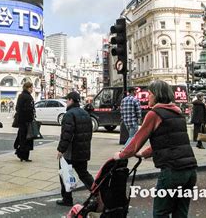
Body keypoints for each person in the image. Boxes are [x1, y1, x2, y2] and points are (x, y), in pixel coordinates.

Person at [114, 80, 197, 218]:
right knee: (180, 212)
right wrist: (144, 153)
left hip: (172, 171)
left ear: (157, 95)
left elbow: (136, 142)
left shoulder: (154, 114)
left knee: (160, 212)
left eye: (150, 94)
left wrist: (121, 155)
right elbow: (168, 141)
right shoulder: (178, 113)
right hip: (190, 171)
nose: (148, 97)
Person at [56, 91, 94, 207]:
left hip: (71, 152)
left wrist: (61, 149)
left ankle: (67, 199)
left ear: (71, 100)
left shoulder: (69, 114)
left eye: (67, 100)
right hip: (83, 150)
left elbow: (67, 134)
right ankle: (98, 193)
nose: (66, 102)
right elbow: (89, 133)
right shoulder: (85, 114)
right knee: (84, 174)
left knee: (65, 173)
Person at [14, 82, 35, 162]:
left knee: (23, 138)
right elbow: (27, 109)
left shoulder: (21, 96)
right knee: (27, 138)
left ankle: (22, 155)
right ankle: (23, 155)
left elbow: (17, 108)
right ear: (28, 88)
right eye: (31, 88)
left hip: (22, 121)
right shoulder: (27, 97)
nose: (32, 89)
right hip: (26, 121)